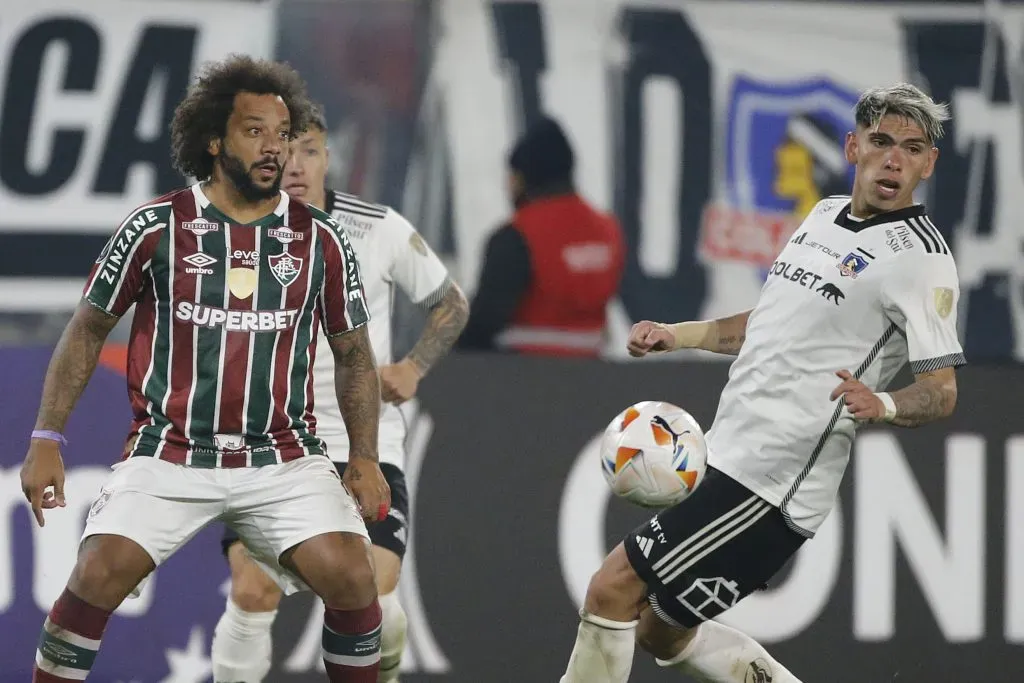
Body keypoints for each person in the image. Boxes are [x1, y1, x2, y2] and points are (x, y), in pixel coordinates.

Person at [559, 82, 964, 682]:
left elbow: (941, 390)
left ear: (929, 163)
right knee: (660, 632)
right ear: (854, 147)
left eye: (912, 147)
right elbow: (767, 322)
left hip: (771, 486)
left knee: (610, 589)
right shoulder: (824, 215)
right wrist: (680, 335)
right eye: (881, 141)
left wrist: (878, 402)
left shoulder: (921, 259)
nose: (894, 159)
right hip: (727, 455)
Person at [21, 55, 391, 683]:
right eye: (255, 132)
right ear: (214, 141)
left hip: (281, 457)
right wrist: (46, 437)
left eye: (283, 133)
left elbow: (355, 353)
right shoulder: (155, 226)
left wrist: (364, 456)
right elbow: (86, 328)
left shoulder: (320, 240)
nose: (275, 149)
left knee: (354, 576)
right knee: (94, 574)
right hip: (170, 452)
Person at [211, 107, 469, 683]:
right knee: (253, 591)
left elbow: (452, 303)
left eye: (310, 150)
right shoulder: (236, 228)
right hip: (269, 442)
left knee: (371, 592)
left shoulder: (378, 227)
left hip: (362, 442)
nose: (297, 164)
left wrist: (415, 367)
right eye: (286, 149)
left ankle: (388, 664)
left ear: (329, 157)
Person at [456, 116, 625, 356]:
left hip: (523, 378)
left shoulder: (516, 236)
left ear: (524, 177)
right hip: (592, 375)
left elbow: (484, 322)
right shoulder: (608, 231)